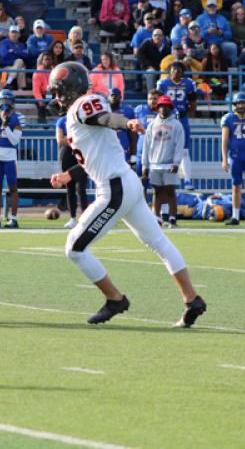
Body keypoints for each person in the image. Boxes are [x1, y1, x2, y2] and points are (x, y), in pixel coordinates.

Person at [48, 61, 206, 328]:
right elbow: (93, 156)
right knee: (158, 242)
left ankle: (115, 299)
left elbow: (106, 119)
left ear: (70, 89)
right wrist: (69, 175)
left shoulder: (83, 105)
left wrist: (127, 123)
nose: (56, 98)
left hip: (115, 189)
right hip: (125, 183)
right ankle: (192, 299)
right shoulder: (79, 110)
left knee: (74, 249)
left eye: (58, 91)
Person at [142, 95, 185, 228]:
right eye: (161, 106)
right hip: (154, 163)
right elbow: (146, 145)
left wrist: (176, 163)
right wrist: (145, 165)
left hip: (169, 163)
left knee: (170, 191)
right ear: (157, 108)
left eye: (166, 106)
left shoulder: (176, 125)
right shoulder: (152, 125)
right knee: (157, 192)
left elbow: (179, 145)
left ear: (170, 108)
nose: (163, 109)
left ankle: (172, 218)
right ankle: (156, 218)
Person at [0, 89, 24, 228]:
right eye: (2, 101)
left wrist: (6, 126)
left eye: (8, 101)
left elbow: (14, 141)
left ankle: (13, 219)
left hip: (10, 157)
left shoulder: (18, 118)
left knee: (12, 187)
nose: (5, 104)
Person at [157, 62, 198, 190]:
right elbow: (157, 103)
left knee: (185, 151)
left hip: (182, 119)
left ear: (182, 71)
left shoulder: (189, 83)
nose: (176, 72)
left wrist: (187, 114)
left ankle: (187, 180)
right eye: (173, 69)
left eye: (178, 69)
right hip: (167, 120)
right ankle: (166, 179)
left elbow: (193, 103)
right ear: (169, 71)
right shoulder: (163, 83)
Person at [221, 92, 245, 226]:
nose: (241, 106)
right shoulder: (228, 118)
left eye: (243, 103)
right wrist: (224, 159)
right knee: (236, 186)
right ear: (234, 104)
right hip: (235, 155)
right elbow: (225, 140)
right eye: (239, 103)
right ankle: (235, 216)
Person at [56, 111, 88, 230]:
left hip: (80, 153)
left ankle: (85, 218)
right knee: (70, 187)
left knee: (81, 187)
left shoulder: (82, 118)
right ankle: (73, 218)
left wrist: (69, 139)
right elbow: (60, 140)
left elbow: (84, 137)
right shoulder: (62, 121)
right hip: (67, 154)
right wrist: (74, 140)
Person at [0, 25, 28, 89]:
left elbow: (26, 56)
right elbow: (4, 55)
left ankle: (9, 82)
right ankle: (20, 90)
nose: (14, 34)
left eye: (16, 33)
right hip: (6, 67)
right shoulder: (4, 43)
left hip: (16, 66)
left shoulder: (21, 45)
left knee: (20, 63)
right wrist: (18, 53)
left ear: (19, 35)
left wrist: (13, 51)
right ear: (9, 34)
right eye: (12, 32)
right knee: (21, 66)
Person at [32, 52, 53, 124]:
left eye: (49, 59)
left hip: (52, 93)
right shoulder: (38, 72)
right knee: (41, 103)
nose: (47, 61)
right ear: (42, 60)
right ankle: (42, 120)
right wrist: (40, 100)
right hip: (42, 94)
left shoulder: (54, 70)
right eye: (45, 59)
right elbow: (36, 90)